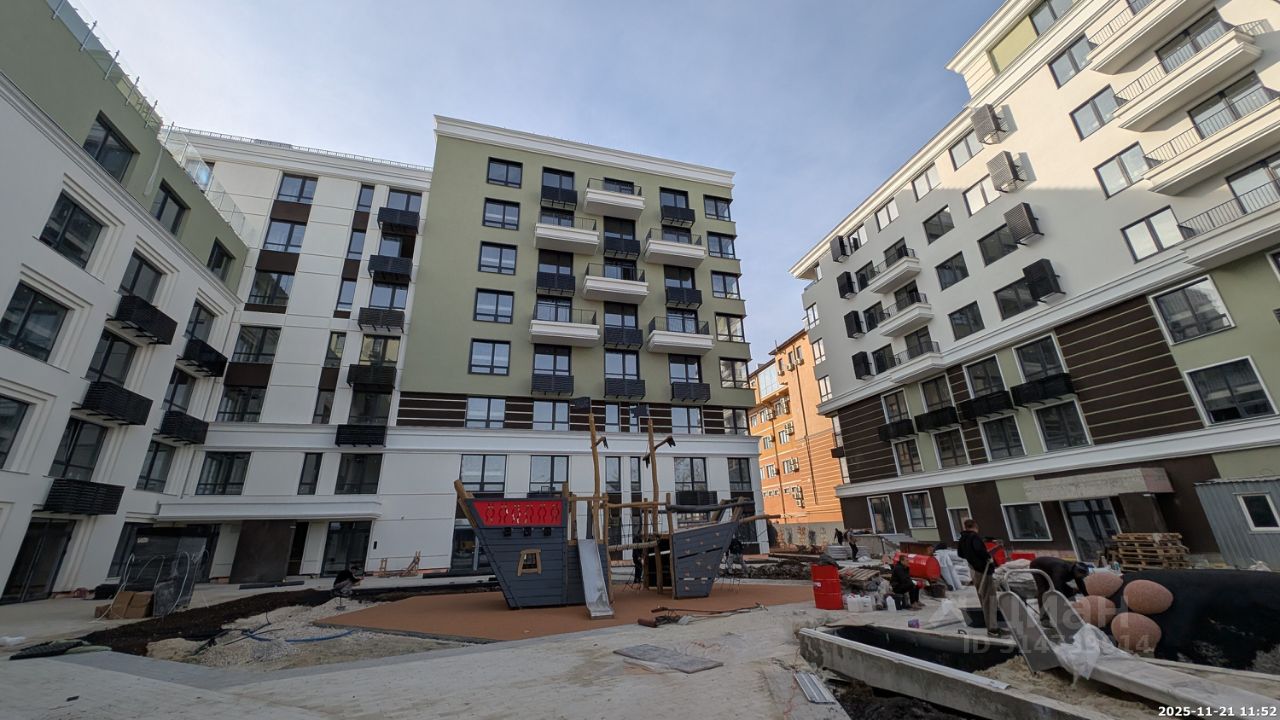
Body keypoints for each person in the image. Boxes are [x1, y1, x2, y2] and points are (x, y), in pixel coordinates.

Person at [956, 519, 1005, 637]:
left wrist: (972, 557)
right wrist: (987, 557)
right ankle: (993, 629)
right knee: (989, 599)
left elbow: (960, 554)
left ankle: (992, 627)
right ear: (975, 526)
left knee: (983, 598)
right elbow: (979, 550)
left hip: (973, 570)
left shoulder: (963, 538)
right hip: (983, 570)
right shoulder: (974, 537)